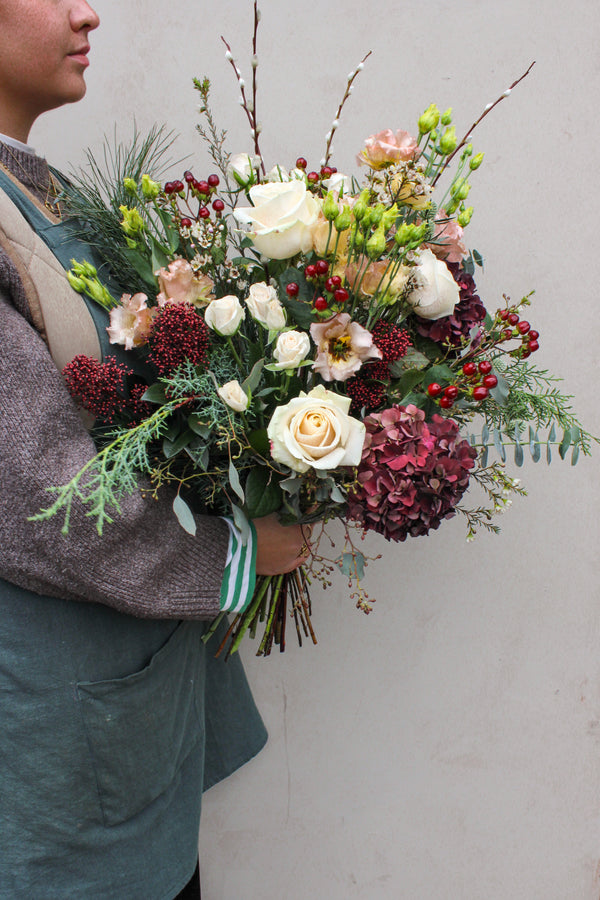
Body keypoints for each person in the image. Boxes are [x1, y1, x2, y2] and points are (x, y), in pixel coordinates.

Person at [0, 2, 310, 897]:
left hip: (112, 702)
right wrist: (238, 554)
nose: (85, 11)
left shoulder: (39, 189)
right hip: (49, 736)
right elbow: (43, 501)